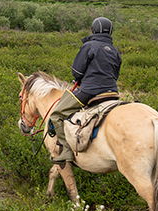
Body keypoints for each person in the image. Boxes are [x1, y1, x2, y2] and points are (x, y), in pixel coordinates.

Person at [44, 16, 122, 165]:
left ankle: (66, 151)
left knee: (56, 114)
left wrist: (80, 79)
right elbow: (116, 74)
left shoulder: (89, 46)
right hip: (112, 91)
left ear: (94, 30)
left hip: (89, 91)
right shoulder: (114, 50)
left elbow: (77, 72)